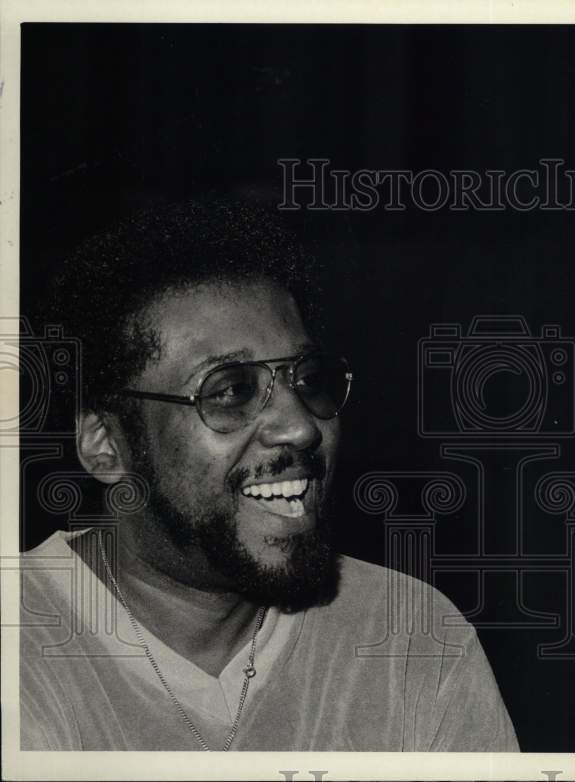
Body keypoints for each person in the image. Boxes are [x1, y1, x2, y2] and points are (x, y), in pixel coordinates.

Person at [19, 200, 519, 751]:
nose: (301, 427)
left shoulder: (412, 637)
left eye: (307, 380)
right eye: (231, 390)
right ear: (106, 445)